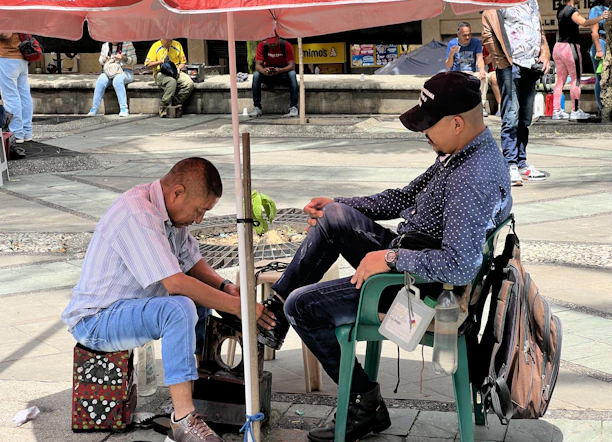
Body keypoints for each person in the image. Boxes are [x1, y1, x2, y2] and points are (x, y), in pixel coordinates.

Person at [256, 72, 512, 442]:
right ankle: (274, 314)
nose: (423, 133)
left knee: (303, 306)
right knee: (333, 217)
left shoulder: (471, 177)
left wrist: (390, 259)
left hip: (422, 289)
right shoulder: (461, 152)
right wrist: (341, 203)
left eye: (428, 124)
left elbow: (459, 265)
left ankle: (365, 403)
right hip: (413, 257)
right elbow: (404, 197)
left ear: (457, 123)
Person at [61, 157, 274, 442]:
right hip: (96, 320)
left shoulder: (171, 214)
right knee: (180, 307)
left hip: (127, 308)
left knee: (198, 298)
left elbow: (191, 261)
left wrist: (226, 287)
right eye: (199, 210)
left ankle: (199, 386)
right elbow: (175, 283)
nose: (199, 219)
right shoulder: (138, 214)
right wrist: (241, 308)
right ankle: (183, 420)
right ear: (177, 192)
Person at [482, 0, 551, 186]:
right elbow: (487, 32)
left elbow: (540, 32)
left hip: (531, 65)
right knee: (510, 116)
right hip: (511, 66)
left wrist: (545, 53)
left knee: (525, 118)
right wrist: (502, 61)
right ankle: (509, 164)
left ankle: (522, 163)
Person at [553, 0, 610, 121]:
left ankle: (556, 111)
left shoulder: (560, 9)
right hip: (569, 47)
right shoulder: (572, 11)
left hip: (558, 47)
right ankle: (575, 110)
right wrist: (601, 17)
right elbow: (584, 23)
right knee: (576, 80)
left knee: (560, 80)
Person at [249, 35, 298, 118]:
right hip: (268, 74)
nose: (272, 45)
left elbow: (291, 65)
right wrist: (264, 71)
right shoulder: (262, 45)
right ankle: (257, 107)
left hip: (282, 72)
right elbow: (258, 66)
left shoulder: (286, 45)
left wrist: (279, 70)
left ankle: (294, 107)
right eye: (270, 43)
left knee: (292, 74)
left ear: (278, 40)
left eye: (274, 43)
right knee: (256, 75)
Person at [445, 22, 488, 116]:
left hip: (471, 72)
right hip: (457, 73)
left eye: (469, 34)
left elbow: (480, 58)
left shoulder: (475, 42)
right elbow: (448, 65)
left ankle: (482, 106)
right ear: (458, 34)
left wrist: (481, 69)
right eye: (464, 35)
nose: (467, 37)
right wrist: (451, 54)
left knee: (484, 76)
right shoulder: (452, 43)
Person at [145, 39, 194, 118]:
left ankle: (175, 102)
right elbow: (147, 65)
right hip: (160, 72)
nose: (170, 43)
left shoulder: (177, 44)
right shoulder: (155, 46)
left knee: (189, 83)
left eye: (171, 41)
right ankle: (163, 106)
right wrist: (161, 61)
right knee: (171, 82)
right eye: (167, 41)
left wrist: (178, 68)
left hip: (175, 71)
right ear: (162, 39)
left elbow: (183, 62)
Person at [88, 42, 137, 117]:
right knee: (101, 79)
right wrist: (104, 59)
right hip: (110, 71)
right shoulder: (105, 45)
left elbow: (134, 61)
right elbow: (100, 60)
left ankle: (124, 108)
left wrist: (123, 58)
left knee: (117, 80)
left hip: (125, 71)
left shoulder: (127, 44)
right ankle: (94, 108)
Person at [0, 33, 33, 144]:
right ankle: (27, 132)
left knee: (10, 96)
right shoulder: (21, 15)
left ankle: (16, 134)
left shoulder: (6, 16)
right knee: (24, 95)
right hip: (21, 57)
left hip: (7, 57)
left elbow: (5, 33)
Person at [589, 0, 612, 115]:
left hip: (608, 45)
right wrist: (599, 49)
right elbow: (594, 31)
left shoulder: (608, 8)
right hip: (600, 44)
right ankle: (602, 107)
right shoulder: (595, 10)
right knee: (601, 77)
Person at [483, 45, 502, 116]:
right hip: (493, 71)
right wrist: (493, 54)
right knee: (494, 78)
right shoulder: (487, 44)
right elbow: (485, 62)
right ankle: (501, 106)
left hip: (508, 69)